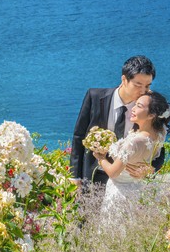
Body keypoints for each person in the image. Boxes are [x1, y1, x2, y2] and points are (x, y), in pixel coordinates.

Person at [69, 55, 164, 189]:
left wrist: (151, 169)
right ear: (124, 80)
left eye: (147, 86)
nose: (143, 91)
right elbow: (79, 136)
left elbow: (158, 144)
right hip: (93, 174)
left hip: (127, 181)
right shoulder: (94, 96)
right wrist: (74, 175)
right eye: (138, 85)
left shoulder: (150, 107)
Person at [91, 91, 170, 213]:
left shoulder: (133, 142)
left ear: (152, 115)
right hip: (138, 190)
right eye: (135, 104)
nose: (133, 109)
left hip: (119, 194)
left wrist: (100, 158)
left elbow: (113, 172)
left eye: (139, 106)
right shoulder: (160, 132)